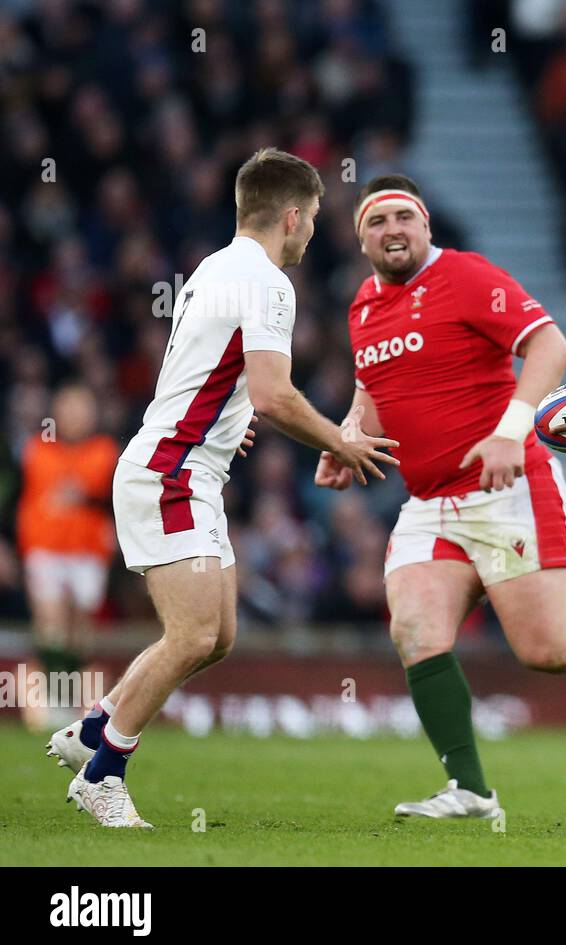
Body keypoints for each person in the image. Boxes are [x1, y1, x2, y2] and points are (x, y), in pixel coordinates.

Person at [312, 174, 566, 821]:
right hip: (430, 500)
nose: (393, 230)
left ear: (426, 225)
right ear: (361, 240)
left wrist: (508, 434)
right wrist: (349, 439)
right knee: (414, 628)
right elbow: (372, 392)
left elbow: (550, 344)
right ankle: (470, 790)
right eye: (377, 223)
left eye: (404, 216)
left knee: (550, 652)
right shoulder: (362, 307)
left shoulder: (466, 276)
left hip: (509, 488)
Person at [48, 148, 399, 828]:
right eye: (316, 218)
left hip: (187, 465)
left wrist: (224, 421)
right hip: (171, 474)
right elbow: (273, 394)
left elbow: (206, 372)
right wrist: (341, 442)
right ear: (292, 216)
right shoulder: (268, 282)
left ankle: (93, 729)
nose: (315, 232)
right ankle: (103, 772)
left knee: (219, 635)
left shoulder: (214, 266)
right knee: (191, 634)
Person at [17, 382, 118, 729]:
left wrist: (86, 502)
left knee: (80, 630)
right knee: (51, 624)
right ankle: (46, 703)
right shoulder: (37, 449)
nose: (75, 416)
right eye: (69, 407)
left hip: (88, 552)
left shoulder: (105, 451)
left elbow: (112, 500)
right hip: (45, 549)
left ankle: (77, 707)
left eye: (82, 408)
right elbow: (19, 498)